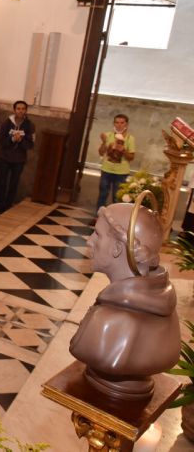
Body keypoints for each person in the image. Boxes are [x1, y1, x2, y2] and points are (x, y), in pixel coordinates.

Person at [70, 202, 179, 398]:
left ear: (118, 248)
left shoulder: (108, 322)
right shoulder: (164, 305)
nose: (89, 241)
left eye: (97, 234)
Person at [0, 100, 35, 213]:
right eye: (18, 108)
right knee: (2, 181)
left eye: (23, 109)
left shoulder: (29, 125)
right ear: (14, 110)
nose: (20, 111)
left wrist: (21, 140)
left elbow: (31, 143)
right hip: (5, 157)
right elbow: (1, 141)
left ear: (26, 110)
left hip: (19, 159)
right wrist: (12, 139)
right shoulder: (7, 123)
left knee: (14, 182)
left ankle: (8, 205)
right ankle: (0, 206)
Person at [97, 114, 135, 208]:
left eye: (122, 123)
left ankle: (116, 218)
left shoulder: (130, 139)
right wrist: (103, 142)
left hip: (121, 172)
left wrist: (123, 150)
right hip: (106, 170)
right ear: (114, 123)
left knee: (117, 197)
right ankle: (99, 215)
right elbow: (101, 153)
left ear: (126, 124)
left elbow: (131, 157)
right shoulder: (108, 135)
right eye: (117, 122)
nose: (119, 125)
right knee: (103, 194)